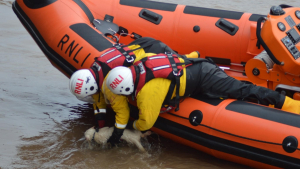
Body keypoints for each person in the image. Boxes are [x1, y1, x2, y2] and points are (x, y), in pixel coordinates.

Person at [103, 52, 300, 145]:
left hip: (204, 75)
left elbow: (147, 121)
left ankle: (289, 104)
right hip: (191, 71)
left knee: (242, 90)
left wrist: (134, 126)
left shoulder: (147, 92)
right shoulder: (140, 65)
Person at [69, 37, 199, 146]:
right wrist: (99, 124)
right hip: (144, 43)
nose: (90, 96)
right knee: (179, 60)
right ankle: (194, 56)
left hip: (154, 51)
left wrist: (116, 136)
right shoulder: (96, 71)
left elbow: (123, 113)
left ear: (91, 87)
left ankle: (196, 58)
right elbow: (98, 100)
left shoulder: (109, 87)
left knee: (182, 64)